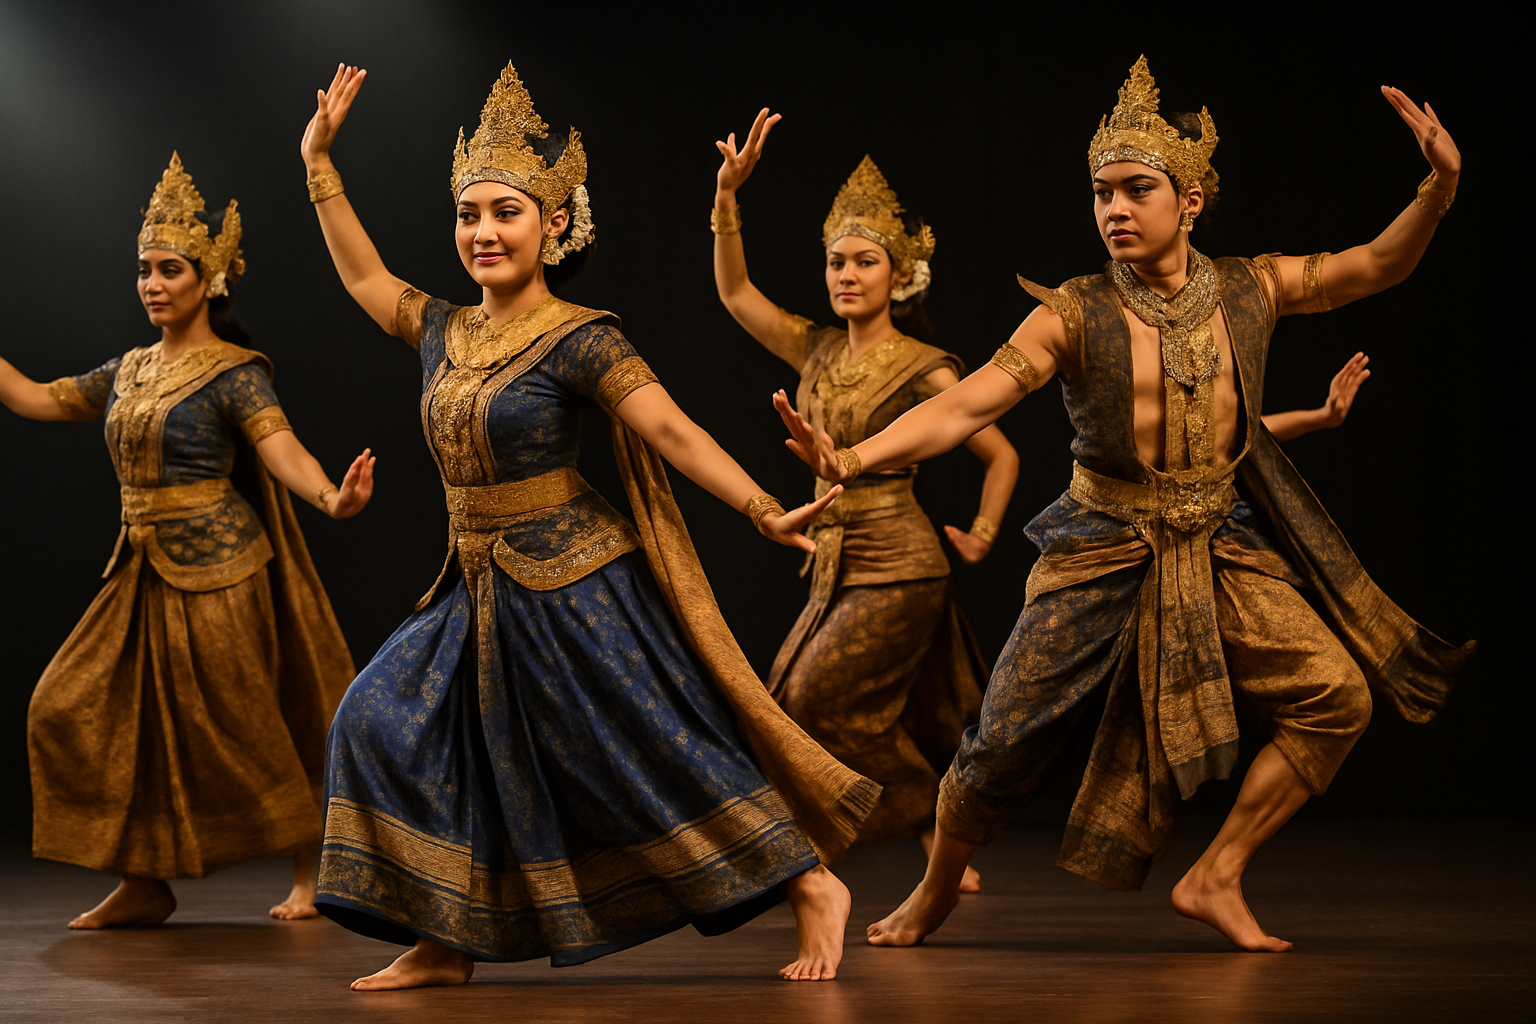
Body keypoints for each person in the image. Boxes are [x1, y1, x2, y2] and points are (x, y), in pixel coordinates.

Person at [775, 57, 1472, 953]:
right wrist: (853, 455)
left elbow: (1376, 266)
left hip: (1216, 544)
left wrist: (1439, 186)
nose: (1113, 209)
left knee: (1337, 697)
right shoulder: (1075, 311)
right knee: (998, 742)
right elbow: (967, 403)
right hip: (1098, 545)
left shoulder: (1252, 288)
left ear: (1188, 200)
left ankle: (1216, 874)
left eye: (1137, 189)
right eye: (1102, 192)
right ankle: (935, 888)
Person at [299, 62, 880, 990]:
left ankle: (809, 883)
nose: (483, 232)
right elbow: (365, 275)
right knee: (381, 723)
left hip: (573, 583)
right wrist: (319, 161)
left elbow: (673, 431)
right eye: (469, 214)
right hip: (474, 580)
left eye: (507, 213)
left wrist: (762, 507)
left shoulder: (581, 336)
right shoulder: (443, 328)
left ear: (557, 226)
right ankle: (445, 937)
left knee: (648, 754)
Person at [3, 153, 373, 929]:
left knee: (243, 723)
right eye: (144, 270)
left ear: (210, 279)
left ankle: (310, 862)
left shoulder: (236, 374)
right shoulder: (129, 370)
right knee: (70, 708)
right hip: (138, 567)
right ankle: (145, 879)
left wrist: (330, 497)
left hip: (221, 569)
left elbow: (283, 452)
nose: (152, 284)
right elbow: (37, 398)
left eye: (169, 269)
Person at [712, 116, 1015, 892]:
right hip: (831, 564)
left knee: (813, 700)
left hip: (900, 565)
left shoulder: (921, 366)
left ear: (901, 274)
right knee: (812, 704)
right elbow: (737, 293)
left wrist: (982, 532)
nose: (847, 274)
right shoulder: (812, 348)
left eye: (865, 261)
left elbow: (1000, 451)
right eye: (836, 261)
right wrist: (726, 200)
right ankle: (929, 826)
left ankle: (863, 841)